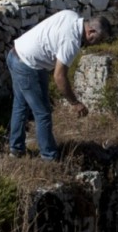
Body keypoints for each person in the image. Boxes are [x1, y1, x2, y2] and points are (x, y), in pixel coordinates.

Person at [6, 10, 110, 160]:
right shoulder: (72, 42)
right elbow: (59, 76)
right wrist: (75, 103)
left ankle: (16, 150)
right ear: (91, 31)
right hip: (27, 65)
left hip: (16, 54)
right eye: (98, 39)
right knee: (43, 113)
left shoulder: (72, 15)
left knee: (21, 105)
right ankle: (49, 157)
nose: (98, 43)